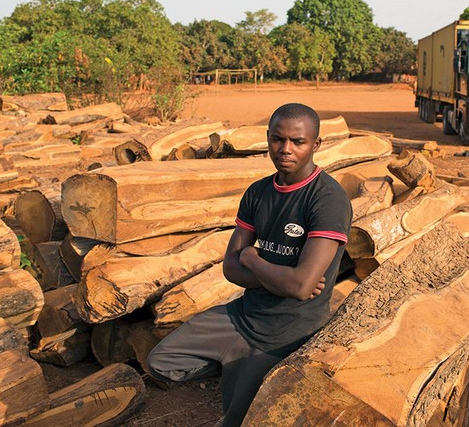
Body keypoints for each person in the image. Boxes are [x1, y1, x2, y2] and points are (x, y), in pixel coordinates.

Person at [147, 103, 353, 426]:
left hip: (285, 333)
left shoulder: (327, 198)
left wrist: (252, 258)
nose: (285, 149)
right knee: (161, 360)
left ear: (316, 145)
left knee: (239, 422)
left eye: (297, 142)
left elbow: (299, 289)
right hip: (241, 315)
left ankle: (246, 375)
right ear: (267, 139)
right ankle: (233, 365)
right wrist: (273, 274)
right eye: (277, 139)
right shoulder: (258, 193)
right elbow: (232, 268)